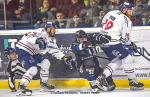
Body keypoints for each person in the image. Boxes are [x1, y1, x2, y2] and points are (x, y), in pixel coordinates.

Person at [92, 2, 144, 91]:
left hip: (102, 40)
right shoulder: (127, 20)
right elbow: (125, 39)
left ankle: (101, 78)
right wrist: (130, 44)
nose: (132, 11)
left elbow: (103, 22)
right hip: (112, 43)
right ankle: (133, 82)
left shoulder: (112, 12)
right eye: (130, 9)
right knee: (127, 58)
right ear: (124, 10)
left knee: (117, 60)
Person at [15, 28, 55, 96]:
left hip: (34, 53)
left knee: (46, 63)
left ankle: (43, 84)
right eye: (52, 29)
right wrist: (37, 40)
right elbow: (28, 37)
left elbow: (49, 50)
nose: (53, 31)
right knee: (33, 69)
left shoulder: (50, 40)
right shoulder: (38, 32)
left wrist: (63, 57)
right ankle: (22, 87)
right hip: (23, 50)